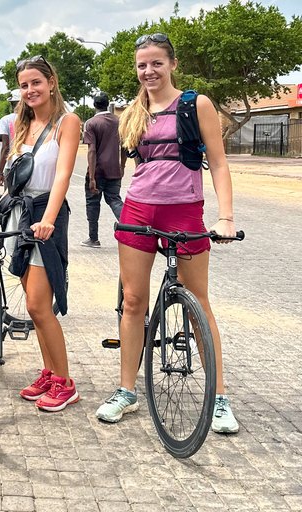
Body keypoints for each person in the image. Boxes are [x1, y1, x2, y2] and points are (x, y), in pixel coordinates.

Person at [95, 33, 239, 434]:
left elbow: (220, 164)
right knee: (133, 301)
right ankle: (127, 390)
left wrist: (225, 218)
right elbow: (134, 167)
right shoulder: (132, 112)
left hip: (185, 213)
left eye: (156, 63)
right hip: (138, 211)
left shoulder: (196, 105)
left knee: (199, 303)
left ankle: (219, 399)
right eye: (142, 65)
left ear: (172, 64)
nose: (149, 71)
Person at [0, 56, 81, 412]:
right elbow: (19, 179)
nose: (30, 90)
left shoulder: (67, 122)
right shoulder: (22, 126)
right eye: (24, 85)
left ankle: (66, 383)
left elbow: (63, 175)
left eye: (36, 82)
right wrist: (0, 204)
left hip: (44, 216)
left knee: (39, 303)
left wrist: (49, 219)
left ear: (52, 82)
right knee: (33, 304)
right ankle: (50, 372)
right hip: (19, 216)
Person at [81, 91, 126, 248]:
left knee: (92, 203)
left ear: (94, 105)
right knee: (114, 199)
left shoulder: (91, 123)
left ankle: (93, 238)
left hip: (97, 170)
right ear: (107, 104)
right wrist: (122, 166)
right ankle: (130, 229)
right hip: (114, 170)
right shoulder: (119, 121)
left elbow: (92, 151)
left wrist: (92, 177)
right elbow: (125, 146)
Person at [0, 90, 20, 187]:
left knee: (10, 199)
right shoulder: (33, 118)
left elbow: (6, 147)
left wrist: (0, 172)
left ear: (12, 104)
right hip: (29, 167)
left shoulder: (6, 120)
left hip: (11, 166)